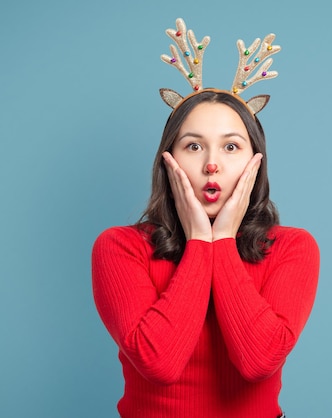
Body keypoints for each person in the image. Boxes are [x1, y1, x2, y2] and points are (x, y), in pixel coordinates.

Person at [91, 20, 319, 418]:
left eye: (231, 146)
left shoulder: (293, 248)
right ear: (169, 160)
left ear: (254, 163)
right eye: (193, 145)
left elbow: (258, 362)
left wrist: (223, 242)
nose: (212, 164)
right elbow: (159, 364)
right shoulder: (119, 247)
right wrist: (201, 240)